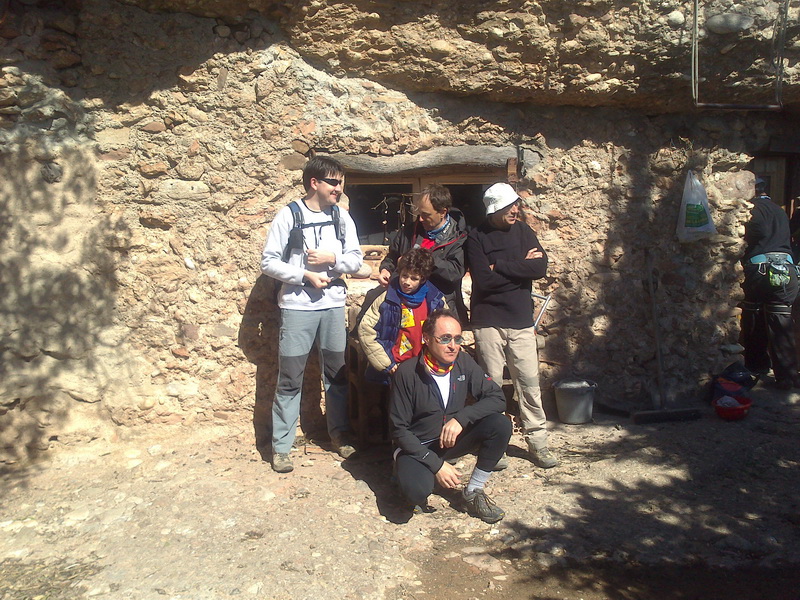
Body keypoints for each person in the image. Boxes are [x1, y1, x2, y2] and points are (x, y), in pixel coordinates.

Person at [261, 156, 364, 473]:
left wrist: (333, 258)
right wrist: (304, 275)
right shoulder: (288, 216)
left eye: (341, 181)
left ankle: (340, 436)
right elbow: (268, 262)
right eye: (334, 182)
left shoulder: (342, 219)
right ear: (313, 183)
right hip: (298, 307)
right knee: (290, 378)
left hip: (333, 305)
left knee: (336, 375)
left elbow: (357, 261)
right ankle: (281, 447)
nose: (339, 187)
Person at [465, 182, 557, 468]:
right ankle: (495, 444)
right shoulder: (476, 237)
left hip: (520, 320)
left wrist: (501, 265)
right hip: (488, 320)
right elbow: (483, 280)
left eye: (516, 204)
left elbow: (540, 268)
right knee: (491, 387)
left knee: (529, 382)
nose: (515, 209)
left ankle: (538, 443)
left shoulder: (523, 231)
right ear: (495, 210)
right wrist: (520, 266)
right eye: (509, 206)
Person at [390, 309, 512, 523]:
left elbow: (497, 398)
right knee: (417, 493)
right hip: (417, 446)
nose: (453, 345)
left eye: (457, 338)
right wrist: (436, 465)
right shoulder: (408, 373)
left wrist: (462, 418)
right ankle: (409, 475)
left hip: (449, 440)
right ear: (427, 339)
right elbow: (398, 430)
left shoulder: (463, 362)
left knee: (500, 424)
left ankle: (473, 492)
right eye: (445, 339)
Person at [740, 178, 800, 390]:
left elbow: (761, 233)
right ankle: (788, 376)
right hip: (788, 271)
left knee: (753, 315)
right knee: (780, 321)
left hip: (762, 270)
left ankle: (755, 366)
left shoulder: (752, 210)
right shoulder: (780, 211)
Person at [377, 184, 468, 321]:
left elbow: (455, 272)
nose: (420, 219)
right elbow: (392, 256)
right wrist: (386, 270)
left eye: (426, 215)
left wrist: (424, 260)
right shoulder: (410, 231)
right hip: (403, 305)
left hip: (439, 307)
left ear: (442, 212)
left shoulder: (459, 238)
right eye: (419, 213)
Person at [357, 248, 446, 384]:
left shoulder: (435, 300)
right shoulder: (385, 299)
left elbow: (446, 331)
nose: (407, 282)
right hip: (395, 368)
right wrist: (386, 364)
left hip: (425, 367)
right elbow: (365, 330)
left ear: (422, 279)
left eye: (414, 278)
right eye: (404, 276)